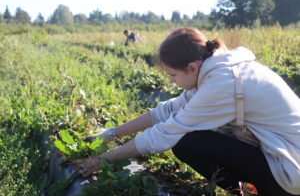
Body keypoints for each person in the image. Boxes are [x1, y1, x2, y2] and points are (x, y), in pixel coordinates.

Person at [76, 27, 300, 196]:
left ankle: (252, 192)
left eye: (172, 76)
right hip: (282, 155)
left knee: (187, 142)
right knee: (191, 138)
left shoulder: (222, 83)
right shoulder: (216, 70)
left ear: (191, 68)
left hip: (290, 173)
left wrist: (103, 159)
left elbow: (165, 132)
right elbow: (167, 110)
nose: (172, 82)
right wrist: (110, 134)